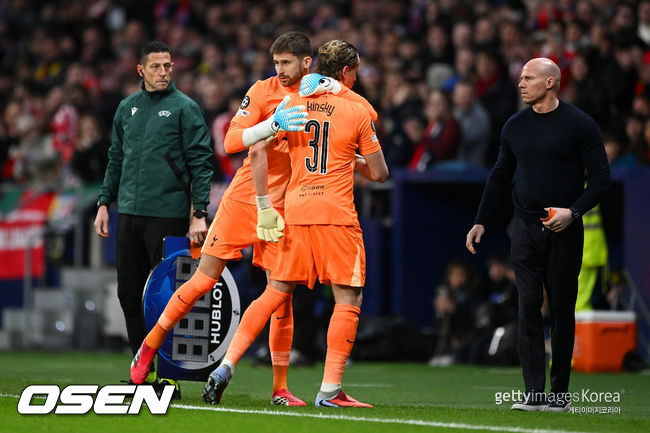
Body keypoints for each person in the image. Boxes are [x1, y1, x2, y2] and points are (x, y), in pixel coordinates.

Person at [128, 32, 314, 407]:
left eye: (286, 63)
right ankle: (148, 348)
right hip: (244, 200)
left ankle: (280, 388)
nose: (279, 70)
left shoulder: (320, 99)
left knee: (282, 296)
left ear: (306, 63)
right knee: (203, 279)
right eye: (276, 63)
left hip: (285, 208)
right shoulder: (262, 91)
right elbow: (231, 143)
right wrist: (271, 124)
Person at [202, 40, 387, 408]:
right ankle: (330, 391)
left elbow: (256, 148)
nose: (356, 79)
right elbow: (380, 172)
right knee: (348, 297)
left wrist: (263, 205)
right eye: (355, 73)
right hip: (336, 214)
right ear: (346, 72)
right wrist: (352, 160)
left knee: (274, 291)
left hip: (296, 210)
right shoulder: (357, 109)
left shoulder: (293, 104)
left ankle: (227, 364)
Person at [465, 57, 610, 412]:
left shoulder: (579, 123)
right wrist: (481, 220)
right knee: (527, 305)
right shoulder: (514, 125)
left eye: (528, 78)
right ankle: (534, 392)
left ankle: (559, 394)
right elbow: (500, 175)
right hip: (524, 226)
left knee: (561, 308)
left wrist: (573, 213)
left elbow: (601, 179)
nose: (521, 83)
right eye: (521, 78)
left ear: (550, 82)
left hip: (564, 227)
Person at [94, 41, 213, 395]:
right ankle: (141, 371)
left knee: (165, 298)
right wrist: (104, 203)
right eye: (156, 67)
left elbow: (201, 162)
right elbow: (116, 157)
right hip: (129, 213)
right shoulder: (126, 108)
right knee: (128, 294)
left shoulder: (185, 108)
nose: (164, 72)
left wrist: (199, 213)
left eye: (168, 66)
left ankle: (168, 375)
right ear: (140, 70)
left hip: (168, 214)